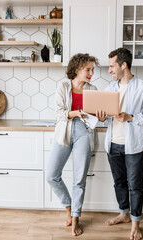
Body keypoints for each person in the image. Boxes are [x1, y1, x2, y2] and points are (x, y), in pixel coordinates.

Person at [96, 48, 143, 240]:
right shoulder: (109, 89)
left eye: (112, 66)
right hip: (113, 144)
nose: (109, 71)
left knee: (135, 185)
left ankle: (136, 223)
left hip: (134, 145)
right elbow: (104, 120)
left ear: (124, 65)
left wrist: (130, 117)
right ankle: (124, 213)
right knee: (119, 182)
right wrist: (101, 117)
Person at [46, 53, 99, 236]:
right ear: (77, 70)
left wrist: (101, 115)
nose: (92, 73)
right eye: (88, 69)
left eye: (92, 69)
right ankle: (68, 207)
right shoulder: (63, 86)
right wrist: (78, 112)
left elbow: (94, 116)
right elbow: (59, 113)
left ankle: (75, 218)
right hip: (65, 130)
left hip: (84, 132)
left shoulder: (93, 89)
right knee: (52, 175)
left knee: (79, 178)